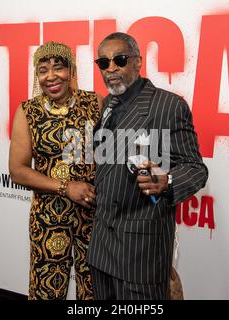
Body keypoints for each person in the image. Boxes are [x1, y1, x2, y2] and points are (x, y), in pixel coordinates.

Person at [87, 32, 208, 300]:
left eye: (119, 59)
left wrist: (168, 181)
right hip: (101, 248)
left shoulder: (168, 105)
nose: (111, 69)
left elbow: (195, 168)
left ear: (138, 62)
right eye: (103, 63)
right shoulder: (108, 104)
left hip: (141, 252)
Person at [9, 42, 101, 300]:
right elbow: (17, 170)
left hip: (94, 216)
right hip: (48, 218)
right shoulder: (29, 111)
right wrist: (65, 187)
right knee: (46, 293)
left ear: (71, 70)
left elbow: (110, 155)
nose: (51, 76)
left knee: (95, 292)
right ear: (36, 76)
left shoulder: (94, 103)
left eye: (58, 68)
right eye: (43, 70)